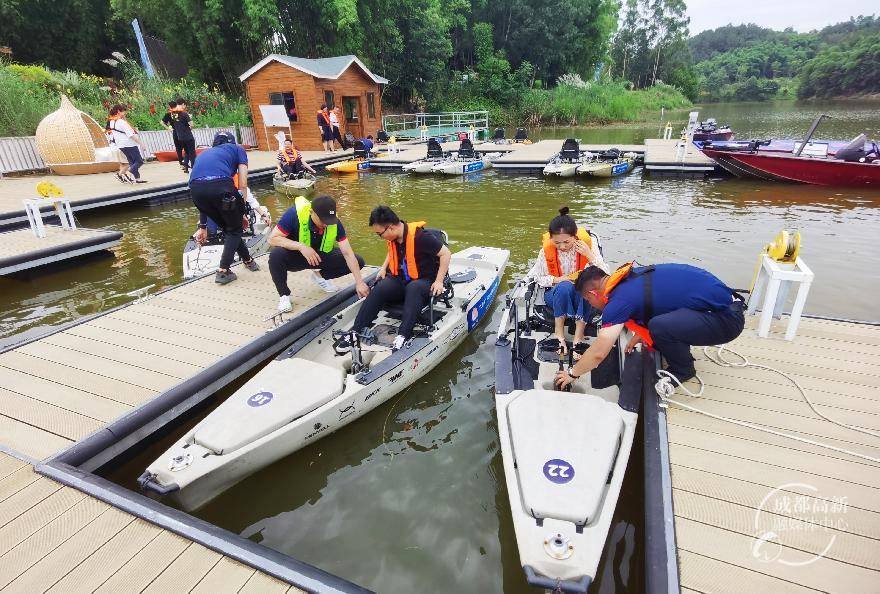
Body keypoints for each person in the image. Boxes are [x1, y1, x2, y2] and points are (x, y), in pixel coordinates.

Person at [555, 263, 746, 390]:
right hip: (728, 305)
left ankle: (683, 370)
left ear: (593, 293)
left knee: (660, 327)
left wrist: (573, 374)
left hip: (727, 321)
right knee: (657, 327)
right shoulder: (631, 277)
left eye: (587, 300)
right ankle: (673, 345)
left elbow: (599, 352)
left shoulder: (618, 301)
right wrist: (640, 333)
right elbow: (658, 300)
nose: (590, 305)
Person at [351, 205, 451, 349]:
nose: (380, 237)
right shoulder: (394, 237)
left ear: (390, 228)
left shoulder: (421, 237)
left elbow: (446, 254)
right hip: (402, 279)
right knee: (381, 286)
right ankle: (356, 330)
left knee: (414, 288)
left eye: (380, 234)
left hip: (424, 281)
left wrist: (439, 281)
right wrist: (384, 268)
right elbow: (390, 252)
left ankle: (403, 335)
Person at [525, 206, 608, 357]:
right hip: (556, 293)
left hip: (583, 293)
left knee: (586, 287)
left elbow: (605, 274)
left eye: (566, 242)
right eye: (557, 243)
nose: (562, 247)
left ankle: (578, 337)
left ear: (575, 236)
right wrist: (559, 279)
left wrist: (589, 255)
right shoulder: (545, 251)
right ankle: (559, 335)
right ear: (551, 239)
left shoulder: (588, 246)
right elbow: (538, 277)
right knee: (564, 287)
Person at [268, 195, 368, 312]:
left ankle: (319, 276)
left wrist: (359, 282)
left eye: (329, 221)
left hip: (319, 257)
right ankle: (284, 295)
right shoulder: (293, 215)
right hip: (295, 256)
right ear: (311, 212)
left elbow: (348, 253)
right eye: (323, 220)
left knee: (359, 261)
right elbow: (272, 239)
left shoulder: (334, 222)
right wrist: (301, 247)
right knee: (275, 255)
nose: (326, 224)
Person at [189, 130, 261, 284]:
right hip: (222, 187)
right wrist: (241, 210)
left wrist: (203, 226)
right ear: (232, 141)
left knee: (232, 229)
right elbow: (242, 184)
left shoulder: (203, 154)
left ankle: (248, 261)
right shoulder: (237, 149)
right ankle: (223, 271)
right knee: (235, 229)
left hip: (196, 191)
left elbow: (202, 188)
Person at [106, 104, 148, 184]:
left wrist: (124, 119)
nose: (125, 113)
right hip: (129, 144)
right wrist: (141, 143)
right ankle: (130, 171)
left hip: (121, 145)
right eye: (124, 111)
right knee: (139, 161)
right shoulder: (121, 122)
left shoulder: (111, 122)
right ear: (118, 111)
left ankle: (137, 179)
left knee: (132, 162)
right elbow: (130, 135)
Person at [171, 98, 196, 172]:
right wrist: (190, 123)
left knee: (186, 151)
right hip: (188, 136)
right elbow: (191, 125)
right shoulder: (184, 114)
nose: (185, 107)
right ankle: (194, 168)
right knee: (192, 152)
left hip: (180, 137)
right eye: (185, 105)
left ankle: (185, 165)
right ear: (183, 104)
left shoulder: (173, 114)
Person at [161, 100, 183, 168]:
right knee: (186, 146)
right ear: (176, 105)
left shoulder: (168, 114)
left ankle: (181, 163)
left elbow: (162, 122)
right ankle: (187, 161)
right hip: (183, 131)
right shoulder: (180, 113)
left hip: (175, 132)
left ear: (169, 107)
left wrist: (168, 128)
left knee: (178, 148)